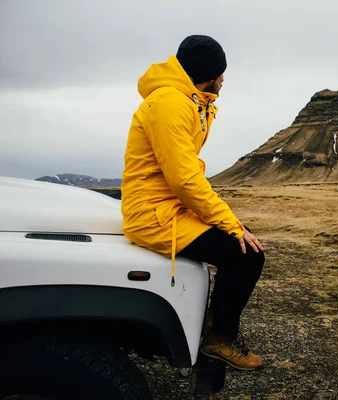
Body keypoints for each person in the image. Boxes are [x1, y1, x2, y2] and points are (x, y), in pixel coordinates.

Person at [121, 35, 264, 371]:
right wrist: (231, 224)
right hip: (153, 215)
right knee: (246, 255)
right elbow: (183, 178)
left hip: (166, 209)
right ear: (210, 73)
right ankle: (219, 338)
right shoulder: (171, 104)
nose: (224, 80)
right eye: (221, 73)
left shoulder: (191, 100)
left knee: (243, 248)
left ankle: (212, 322)